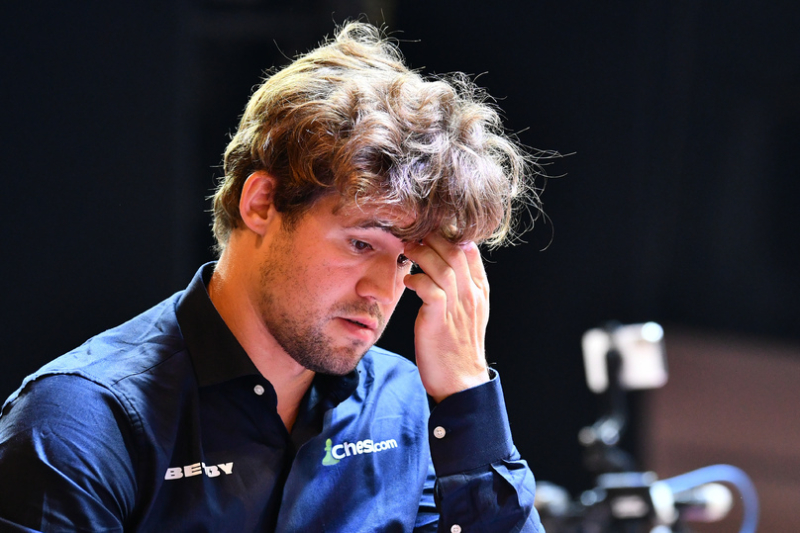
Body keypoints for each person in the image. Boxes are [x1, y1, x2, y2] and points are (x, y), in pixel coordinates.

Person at [0, 22, 545, 532]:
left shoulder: (401, 402)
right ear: (261, 203)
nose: (384, 292)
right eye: (361, 244)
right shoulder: (80, 421)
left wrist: (467, 391)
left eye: (407, 261)